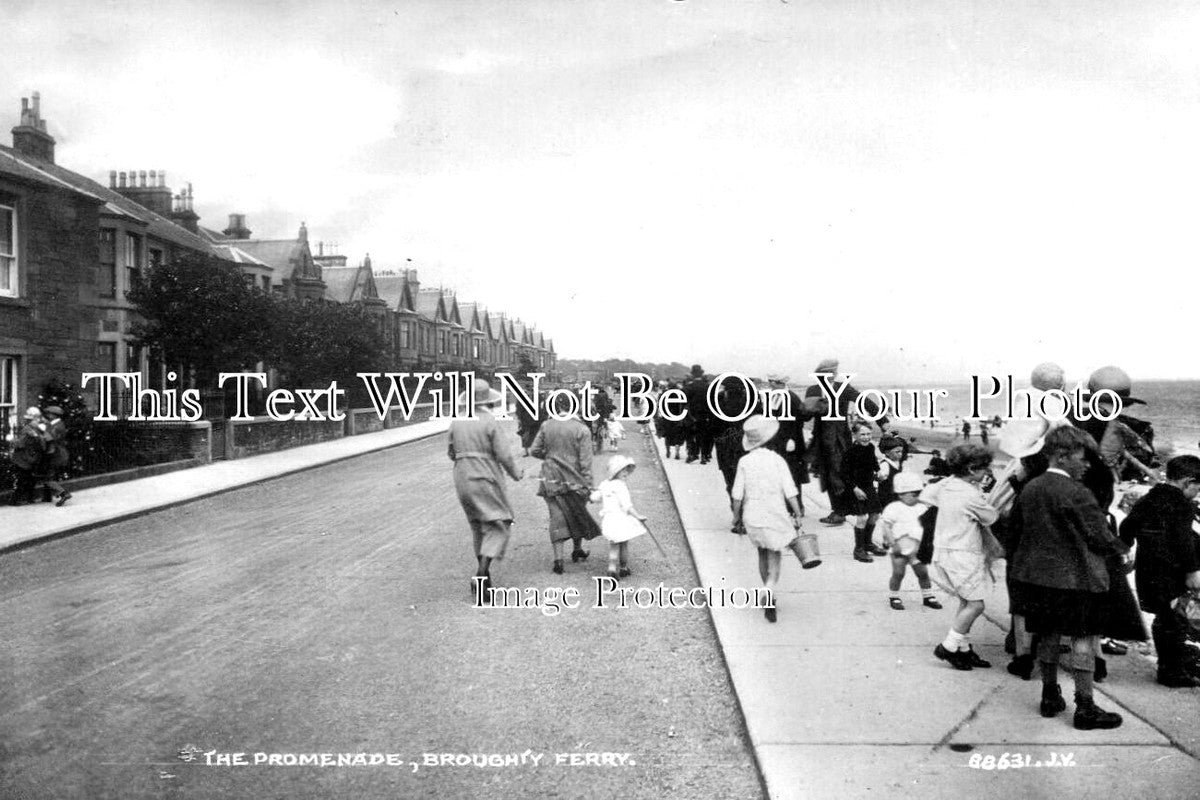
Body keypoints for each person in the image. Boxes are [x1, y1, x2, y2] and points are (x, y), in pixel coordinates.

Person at [1008, 426, 1129, 729]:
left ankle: (1050, 696)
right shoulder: (1078, 492)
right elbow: (1100, 537)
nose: (1087, 465)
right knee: (1083, 640)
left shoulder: (1031, 487)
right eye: (1082, 458)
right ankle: (1085, 707)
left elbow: (1015, 531)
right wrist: (1124, 552)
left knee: (1048, 635)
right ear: (1062, 456)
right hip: (1078, 580)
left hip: (1037, 578)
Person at [1119, 455, 1200, 687]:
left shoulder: (1149, 498)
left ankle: (1169, 664)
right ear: (1187, 482)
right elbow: (1183, 542)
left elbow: (1127, 526)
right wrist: (1192, 571)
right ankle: (1171, 671)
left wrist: (1126, 547)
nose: (1198, 493)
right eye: (1197, 487)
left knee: (1164, 617)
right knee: (1175, 621)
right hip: (1172, 573)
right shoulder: (1181, 505)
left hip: (1148, 571)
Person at [921, 443, 999, 671]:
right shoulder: (970, 495)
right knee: (976, 605)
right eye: (984, 469)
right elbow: (991, 517)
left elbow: (927, 495)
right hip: (963, 553)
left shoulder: (946, 484)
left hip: (944, 550)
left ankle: (963, 648)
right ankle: (948, 645)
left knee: (966, 601)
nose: (987, 473)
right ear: (972, 469)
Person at [447, 379, 524, 603]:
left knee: (478, 526)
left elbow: (451, 452)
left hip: (462, 477)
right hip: (485, 476)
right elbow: (504, 455)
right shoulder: (490, 421)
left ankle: (486, 577)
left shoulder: (457, 421)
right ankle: (481, 575)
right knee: (500, 523)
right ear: (488, 401)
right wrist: (515, 473)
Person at [730, 415, 805, 623]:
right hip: (775, 513)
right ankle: (769, 589)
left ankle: (767, 596)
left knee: (762, 552)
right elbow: (790, 490)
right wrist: (798, 513)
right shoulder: (777, 460)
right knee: (775, 553)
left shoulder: (744, 461)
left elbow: (737, 494)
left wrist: (736, 517)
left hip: (753, 515)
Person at [804, 358, 890, 526]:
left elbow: (864, 401)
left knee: (839, 474)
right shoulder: (812, 390)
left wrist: (882, 421)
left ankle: (841, 512)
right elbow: (805, 415)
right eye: (827, 373)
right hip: (820, 439)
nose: (831, 375)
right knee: (827, 476)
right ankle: (838, 510)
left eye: (833, 372)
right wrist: (811, 408)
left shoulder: (842, 387)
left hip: (839, 439)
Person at [531, 393, 602, 573]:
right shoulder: (582, 429)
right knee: (578, 511)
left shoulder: (547, 425)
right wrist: (588, 485)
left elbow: (534, 450)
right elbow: (585, 462)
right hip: (575, 479)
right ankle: (577, 549)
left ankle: (558, 560)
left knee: (556, 516)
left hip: (550, 477)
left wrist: (550, 458)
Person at [879, 473, 941, 611]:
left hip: (917, 548)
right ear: (900, 494)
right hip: (899, 547)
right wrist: (892, 543)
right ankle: (894, 596)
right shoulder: (894, 508)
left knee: (923, 573)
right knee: (898, 573)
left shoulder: (922, 508)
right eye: (913, 494)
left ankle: (928, 596)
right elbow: (886, 526)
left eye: (919, 494)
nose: (917, 497)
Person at [592, 455, 648, 582]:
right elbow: (627, 506)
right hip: (621, 521)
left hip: (609, 522)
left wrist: (592, 496)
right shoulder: (621, 486)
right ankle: (623, 567)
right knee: (623, 544)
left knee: (614, 545)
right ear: (615, 471)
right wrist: (638, 516)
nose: (626, 472)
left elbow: (595, 498)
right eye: (622, 470)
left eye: (627, 470)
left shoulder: (604, 484)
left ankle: (611, 568)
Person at [841, 422, 887, 562]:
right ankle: (859, 549)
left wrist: (878, 471)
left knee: (875, 515)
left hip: (868, 486)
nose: (866, 437)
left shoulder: (870, 447)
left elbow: (873, 462)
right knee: (862, 518)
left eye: (868, 434)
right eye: (862, 434)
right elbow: (843, 474)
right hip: (855, 488)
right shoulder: (850, 452)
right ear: (854, 435)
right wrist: (855, 489)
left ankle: (868, 543)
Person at [9, 407, 45, 505]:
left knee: (26, 480)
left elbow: (20, 444)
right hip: (28, 458)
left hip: (26, 458)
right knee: (27, 479)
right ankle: (22, 499)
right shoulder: (33, 430)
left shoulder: (30, 430)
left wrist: (12, 440)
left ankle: (20, 499)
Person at [39, 405, 72, 506]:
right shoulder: (54, 424)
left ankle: (64, 493)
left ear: (54, 415)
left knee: (48, 477)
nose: (48, 415)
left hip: (55, 453)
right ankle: (47, 497)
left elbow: (50, 439)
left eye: (49, 414)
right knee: (49, 474)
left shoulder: (57, 426)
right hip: (54, 452)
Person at [683, 364, 715, 464]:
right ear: (701, 374)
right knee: (704, 435)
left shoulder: (689, 387)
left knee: (691, 435)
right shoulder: (708, 387)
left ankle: (693, 454)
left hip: (692, 415)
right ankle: (704, 456)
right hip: (705, 415)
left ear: (692, 374)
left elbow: (685, 402)